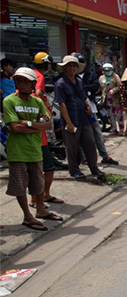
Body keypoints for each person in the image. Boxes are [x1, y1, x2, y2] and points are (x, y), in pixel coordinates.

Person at [4, 67, 62, 231]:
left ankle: (41, 209)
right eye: (18, 81)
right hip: (17, 150)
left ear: (32, 84)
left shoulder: (37, 101)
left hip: (35, 149)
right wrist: (37, 126)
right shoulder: (9, 101)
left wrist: (28, 123)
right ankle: (27, 216)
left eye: (25, 81)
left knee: (37, 183)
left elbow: (48, 124)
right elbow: (15, 127)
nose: (21, 84)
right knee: (19, 185)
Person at [54, 55, 104, 180]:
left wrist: (87, 107)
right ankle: (74, 170)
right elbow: (62, 104)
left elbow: (83, 97)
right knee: (72, 147)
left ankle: (94, 168)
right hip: (71, 119)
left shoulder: (79, 81)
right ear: (65, 68)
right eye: (69, 66)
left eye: (74, 66)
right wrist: (69, 123)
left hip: (83, 118)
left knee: (90, 143)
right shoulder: (60, 84)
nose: (72, 68)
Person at [29, 52, 65, 208]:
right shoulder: (40, 77)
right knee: (47, 167)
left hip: (31, 130)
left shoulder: (32, 75)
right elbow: (38, 94)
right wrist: (44, 111)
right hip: (39, 130)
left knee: (34, 167)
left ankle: (36, 197)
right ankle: (43, 195)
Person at [98, 63, 123, 136]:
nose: (107, 72)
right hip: (107, 100)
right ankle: (114, 129)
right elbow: (100, 88)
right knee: (110, 115)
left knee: (118, 115)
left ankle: (121, 130)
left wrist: (114, 90)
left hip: (116, 99)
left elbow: (120, 86)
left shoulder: (116, 77)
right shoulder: (101, 78)